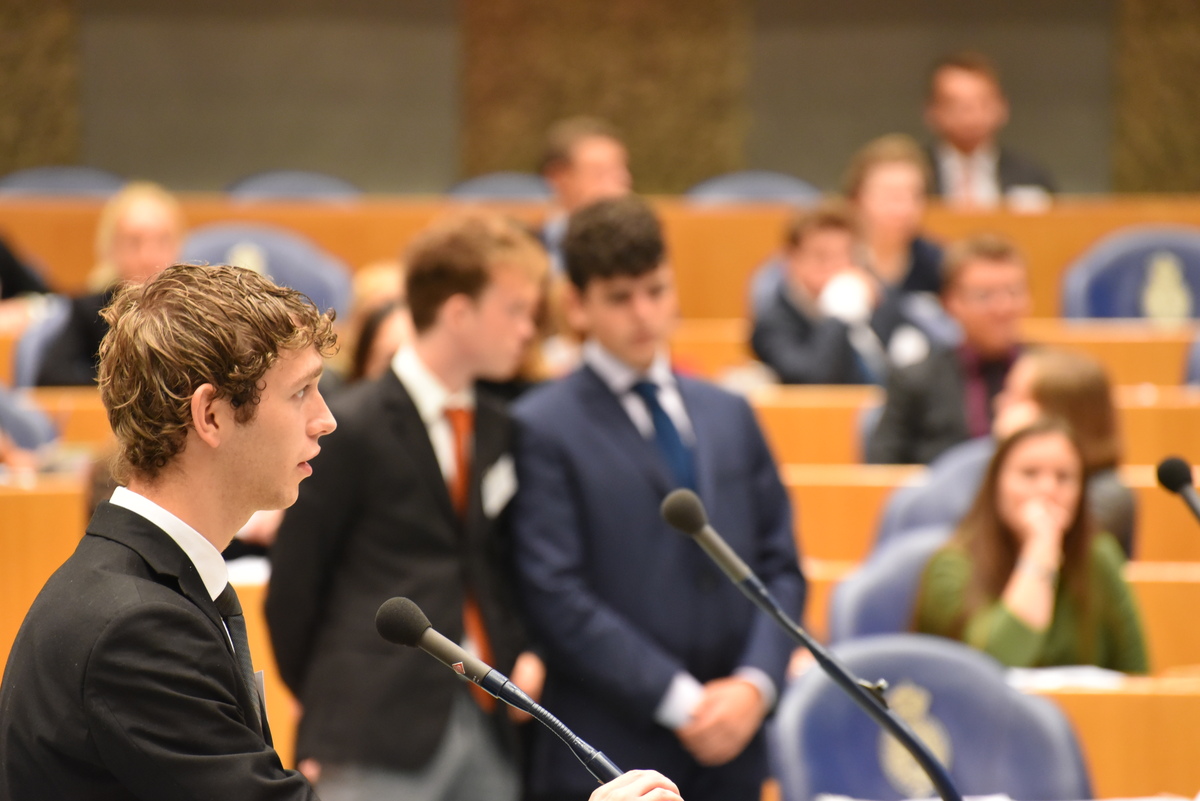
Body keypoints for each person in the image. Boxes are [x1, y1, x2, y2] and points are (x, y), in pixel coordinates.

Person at [0, 261, 684, 801]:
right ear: (210, 415)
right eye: (301, 392)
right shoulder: (133, 627)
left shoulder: (149, 587)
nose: (326, 419)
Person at [510, 196, 805, 801]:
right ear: (577, 304)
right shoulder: (541, 425)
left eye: (656, 290)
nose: (643, 314)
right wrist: (684, 702)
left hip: (738, 743)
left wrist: (754, 685)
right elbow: (554, 592)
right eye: (620, 298)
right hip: (612, 747)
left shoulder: (731, 412)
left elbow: (780, 566)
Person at [266, 214, 547, 801]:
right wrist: (334, 698)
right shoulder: (351, 425)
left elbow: (495, 565)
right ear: (458, 312)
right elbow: (294, 584)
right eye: (516, 310)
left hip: (487, 715)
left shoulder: (499, 426)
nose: (529, 329)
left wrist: (521, 650)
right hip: (372, 728)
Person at [913, 418, 1147, 672]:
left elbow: (1136, 673)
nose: (1047, 489)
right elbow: (996, 663)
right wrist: (1040, 552)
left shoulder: (1098, 555)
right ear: (996, 484)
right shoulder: (951, 564)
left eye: (1064, 477)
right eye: (1029, 474)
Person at [866, 232, 1030, 465]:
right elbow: (883, 473)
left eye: (1014, 293)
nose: (1003, 307)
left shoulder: (1056, 377)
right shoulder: (915, 380)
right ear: (951, 303)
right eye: (985, 296)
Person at [35, 181, 184, 386]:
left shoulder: (192, 315)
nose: (149, 257)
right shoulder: (89, 312)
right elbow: (51, 376)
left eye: (162, 241)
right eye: (134, 242)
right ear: (111, 249)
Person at [750, 201, 887, 384]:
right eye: (821, 256)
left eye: (845, 256)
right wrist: (839, 314)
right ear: (793, 260)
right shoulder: (773, 324)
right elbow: (814, 378)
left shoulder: (873, 300)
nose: (834, 267)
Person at [924, 51, 1056, 209]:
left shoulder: (1029, 175)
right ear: (932, 111)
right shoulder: (915, 173)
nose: (970, 115)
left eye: (982, 103)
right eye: (956, 105)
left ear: (1002, 107)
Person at [539, 116, 633, 273]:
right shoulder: (532, 251)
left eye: (621, 170)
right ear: (558, 178)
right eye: (601, 173)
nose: (621, 184)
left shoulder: (639, 247)